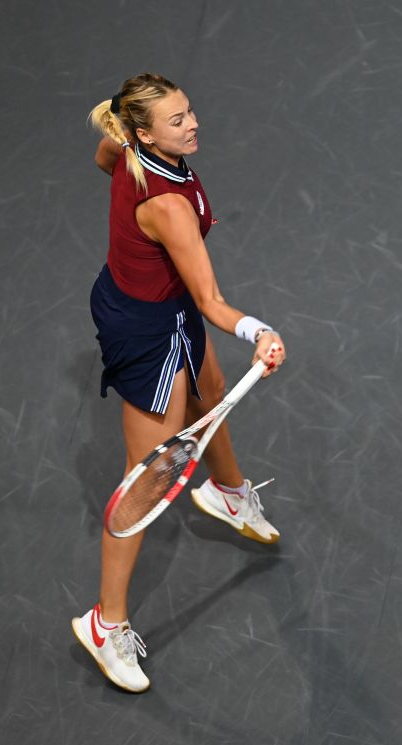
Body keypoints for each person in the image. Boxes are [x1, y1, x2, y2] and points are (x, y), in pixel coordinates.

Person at [71, 73, 287, 693]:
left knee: (210, 395)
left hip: (142, 301)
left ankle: (225, 491)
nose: (192, 124)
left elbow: (102, 157)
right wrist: (262, 332)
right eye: (176, 120)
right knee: (144, 486)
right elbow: (213, 300)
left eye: (189, 111)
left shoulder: (125, 146)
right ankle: (104, 625)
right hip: (148, 333)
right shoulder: (167, 206)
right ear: (145, 131)